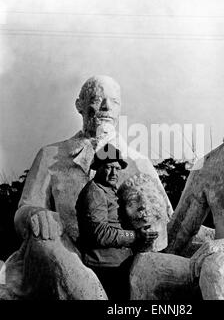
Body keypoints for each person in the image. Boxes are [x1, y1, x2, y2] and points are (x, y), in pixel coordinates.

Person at [0, 75, 173, 300]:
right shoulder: (50, 155)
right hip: (58, 257)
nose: (106, 106)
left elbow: (161, 226)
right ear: (79, 105)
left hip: (118, 266)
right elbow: (23, 211)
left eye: (115, 101)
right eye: (98, 98)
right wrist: (35, 213)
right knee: (48, 239)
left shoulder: (139, 162)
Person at [76, 144, 158, 300]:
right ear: (98, 168)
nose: (114, 173)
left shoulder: (109, 190)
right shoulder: (95, 193)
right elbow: (100, 234)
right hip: (104, 267)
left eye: (117, 168)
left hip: (118, 263)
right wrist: (135, 236)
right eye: (108, 167)